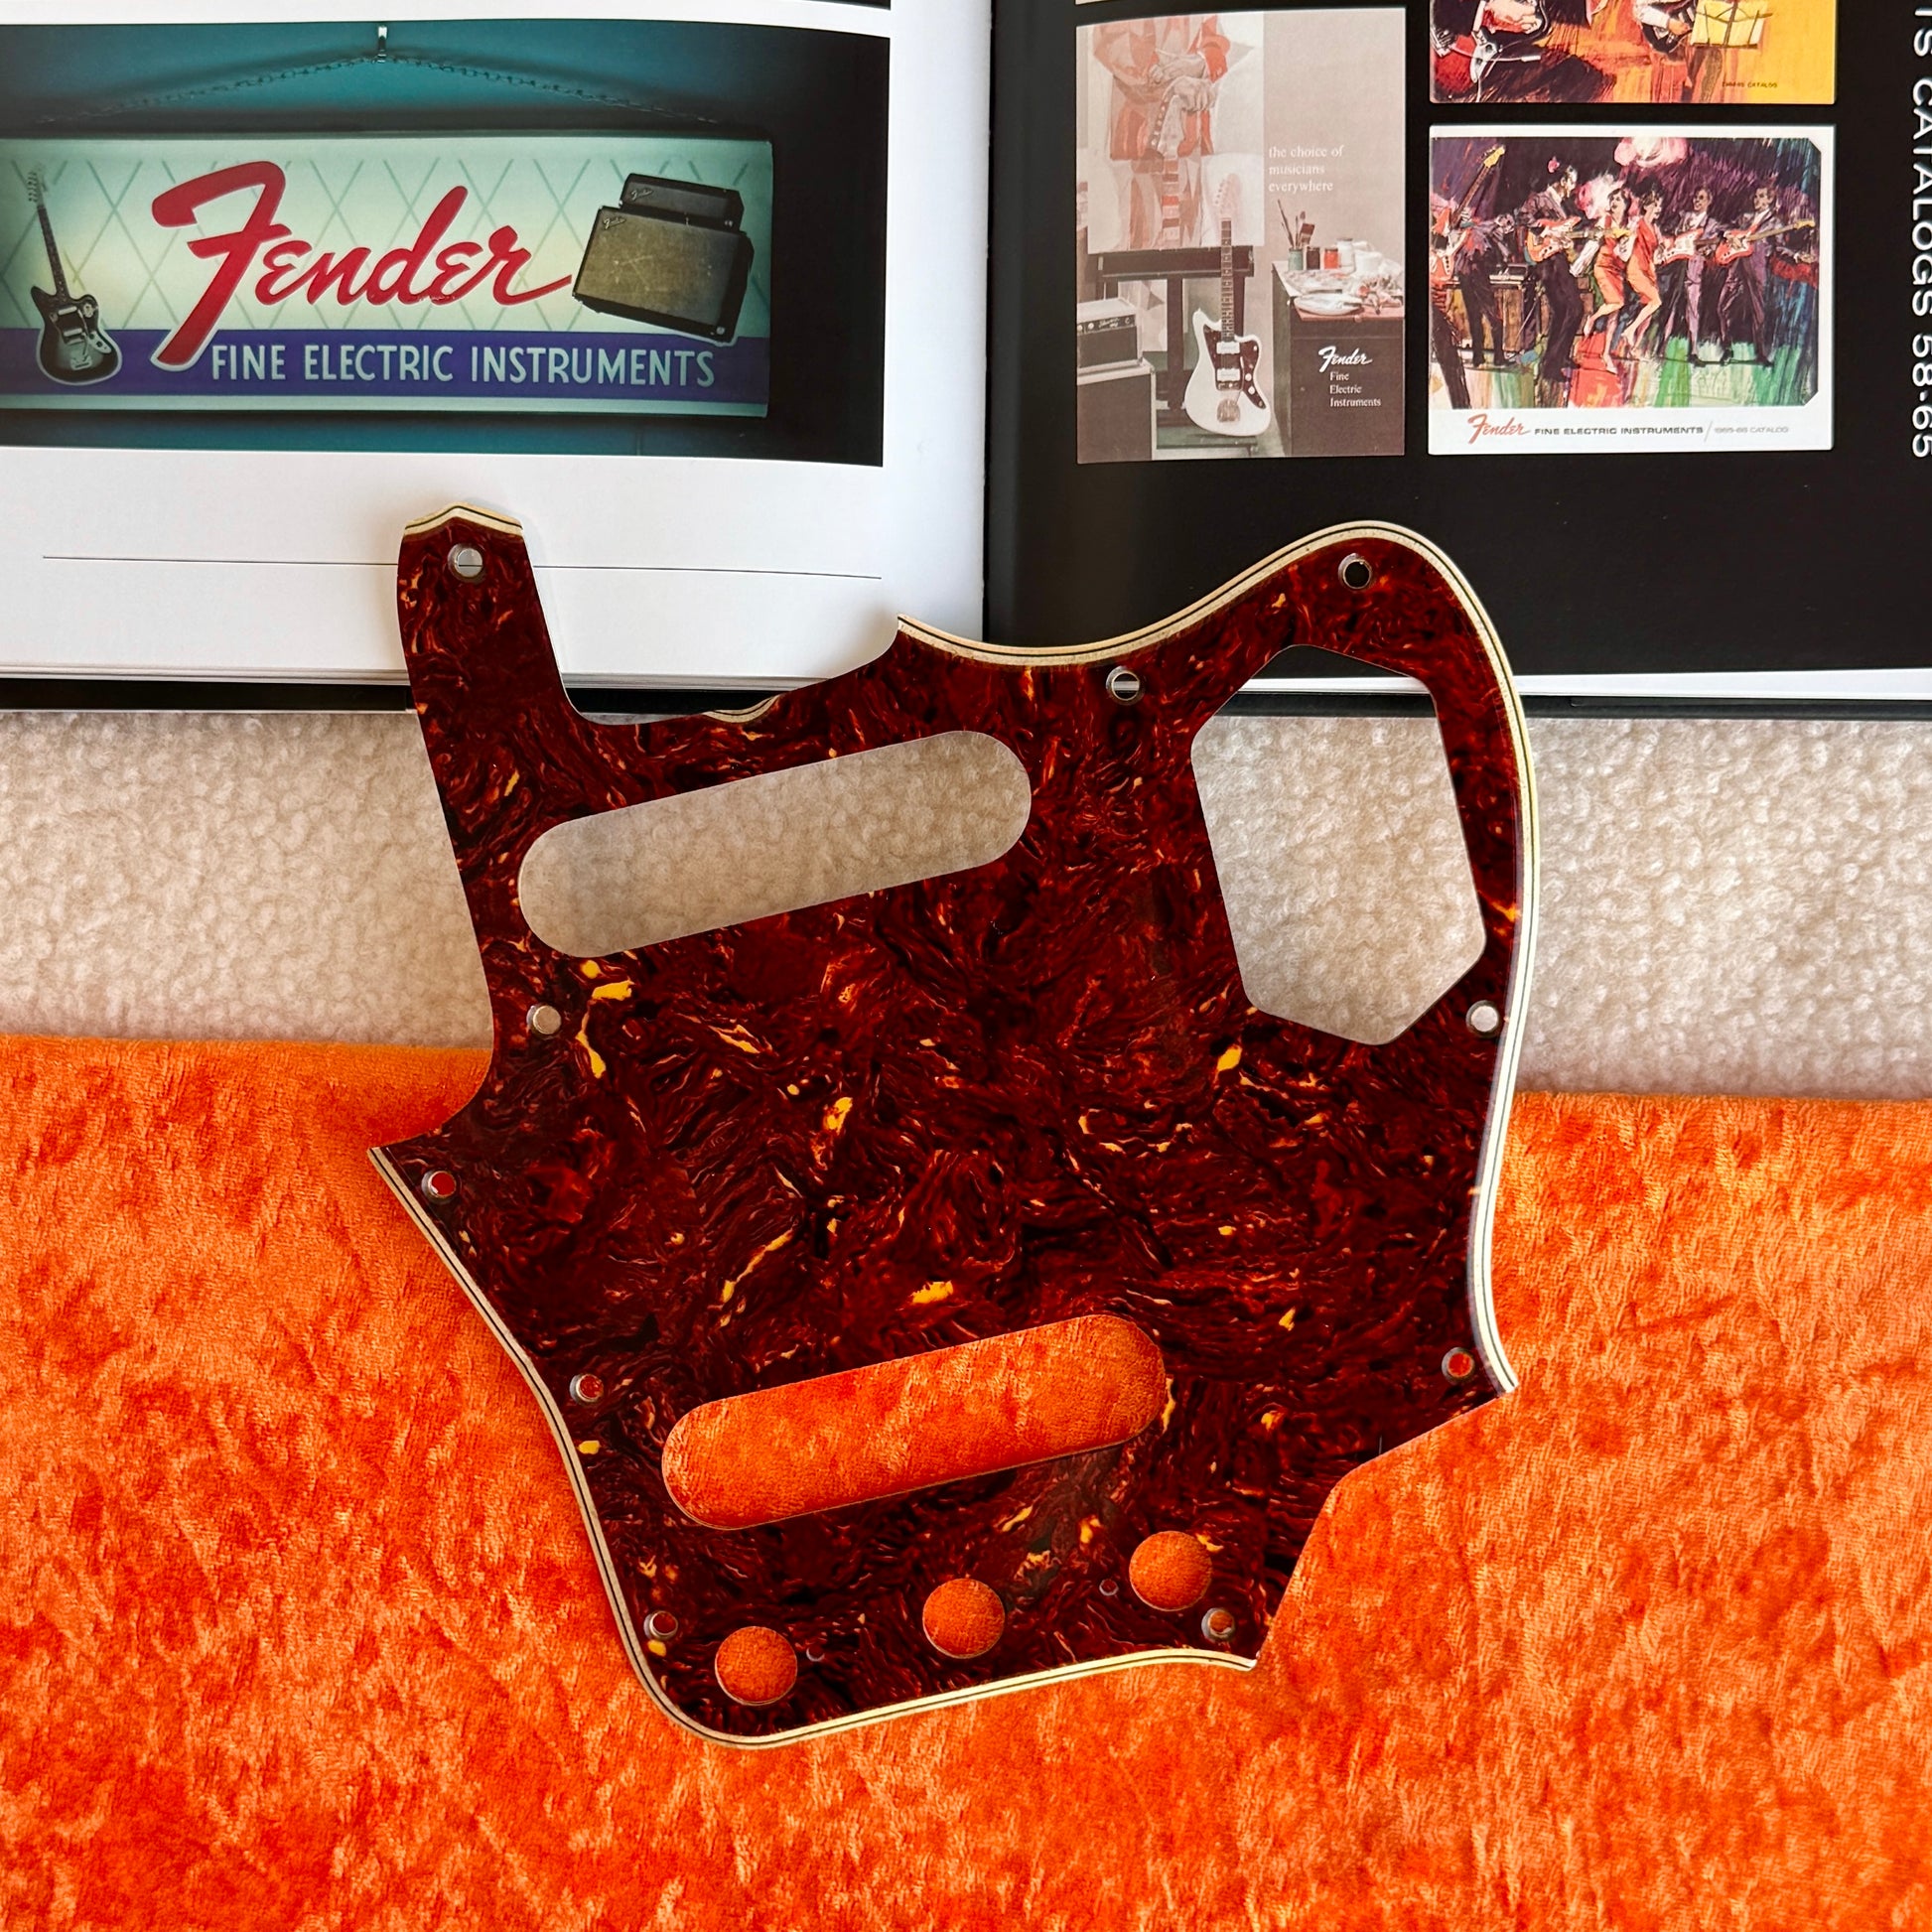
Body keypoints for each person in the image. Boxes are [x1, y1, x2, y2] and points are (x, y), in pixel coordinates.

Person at [1091, 17, 1231, 250]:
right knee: (1141, 245)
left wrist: (1200, 62)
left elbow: (1215, 41)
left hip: (1191, 138)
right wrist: (1167, 78)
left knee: (1187, 244)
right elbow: (1110, 40)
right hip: (1141, 138)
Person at [1523, 161, 1584, 404]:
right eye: (1572, 181)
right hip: (1547, 263)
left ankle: (1557, 357)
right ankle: (1552, 363)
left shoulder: (1565, 206)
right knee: (1573, 308)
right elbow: (1522, 217)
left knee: (1566, 310)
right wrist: (1545, 232)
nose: (1573, 187)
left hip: (1558, 259)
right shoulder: (1540, 199)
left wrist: (1567, 241)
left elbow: (1564, 235)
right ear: (1563, 180)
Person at [1718, 183, 1778, 366]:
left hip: (1756, 270)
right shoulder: (1745, 217)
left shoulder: (1775, 223)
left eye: (1761, 196)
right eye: (1756, 196)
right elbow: (1722, 228)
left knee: (1759, 313)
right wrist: (1730, 235)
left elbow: (1781, 247)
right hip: (1736, 268)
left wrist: (1797, 256)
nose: (1756, 200)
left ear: (1770, 199)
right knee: (1723, 307)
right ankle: (1727, 349)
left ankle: (1761, 353)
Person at [1658, 184, 1721, 359]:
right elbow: (1670, 236)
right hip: (1677, 268)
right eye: (1695, 197)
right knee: (1671, 307)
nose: (1697, 201)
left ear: (1709, 201)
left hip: (1694, 271)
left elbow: (1711, 248)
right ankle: (1662, 346)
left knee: (1693, 310)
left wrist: (1707, 250)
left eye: (1701, 198)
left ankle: (1693, 350)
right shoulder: (1683, 217)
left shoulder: (1711, 224)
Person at [1609, 186, 1665, 360]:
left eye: (1660, 206)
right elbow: (1624, 243)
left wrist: (1661, 251)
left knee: (1648, 312)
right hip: (1636, 269)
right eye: (1656, 205)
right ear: (1647, 206)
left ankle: (1634, 347)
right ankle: (1630, 330)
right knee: (1656, 301)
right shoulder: (1637, 223)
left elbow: (1657, 254)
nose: (1658, 209)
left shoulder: (1655, 229)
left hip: (1649, 270)